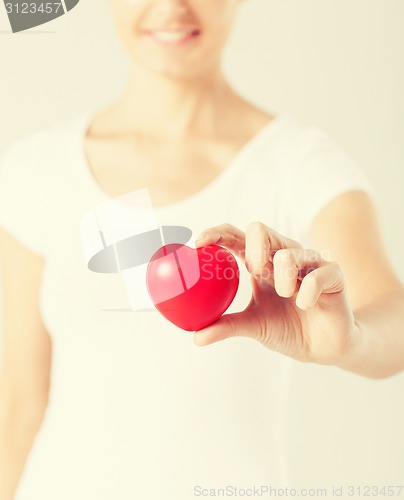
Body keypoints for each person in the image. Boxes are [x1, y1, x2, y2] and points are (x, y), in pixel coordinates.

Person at [0, 1, 403, 499]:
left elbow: (395, 320)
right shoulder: (36, 171)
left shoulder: (300, 165)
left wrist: (352, 339)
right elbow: (17, 408)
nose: (171, 7)